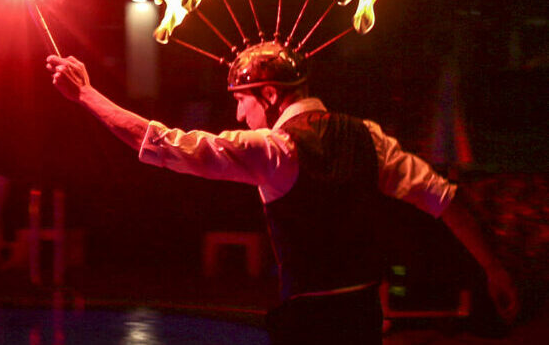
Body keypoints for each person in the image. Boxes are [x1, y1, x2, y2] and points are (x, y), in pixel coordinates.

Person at [46, 41, 519, 344]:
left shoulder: (274, 151)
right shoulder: (368, 138)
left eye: (241, 100)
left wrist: (88, 96)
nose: (238, 116)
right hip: (364, 322)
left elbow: (162, 142)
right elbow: (446, 200)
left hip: (309, 328)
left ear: (270, 95)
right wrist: (494, 269)